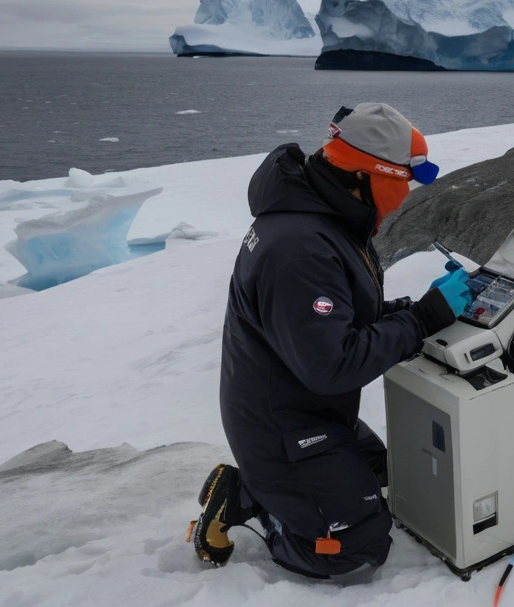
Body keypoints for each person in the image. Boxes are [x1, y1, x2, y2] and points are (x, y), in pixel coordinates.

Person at [191, 102, 473, 584]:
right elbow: (332, 365)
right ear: (370, 175)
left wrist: (411, 311)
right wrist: (424, 320)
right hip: (281, 425)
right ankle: (249, 500)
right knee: (355, 545)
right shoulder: (300, 246)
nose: (405, 194)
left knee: (392, 474)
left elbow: (331, 321)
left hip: (303, 408)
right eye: (403, 180)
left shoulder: (320, 214)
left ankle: (278, 488)